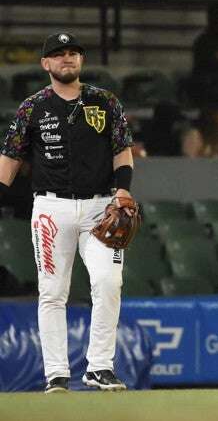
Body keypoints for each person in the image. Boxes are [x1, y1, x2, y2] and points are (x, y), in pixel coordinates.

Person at [0, 33, 135, 393]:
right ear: (46, 64)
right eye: (58, 54)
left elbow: (122, 151)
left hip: (99, 207)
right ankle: (57, 374)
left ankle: (100, 367)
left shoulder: (104, 101)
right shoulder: (32, 108)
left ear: (81, 61)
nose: (67, 59)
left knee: (109, 283)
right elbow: (8, 164)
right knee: (52, 292)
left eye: (73, 53)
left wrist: (123, 190)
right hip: (51, 207)